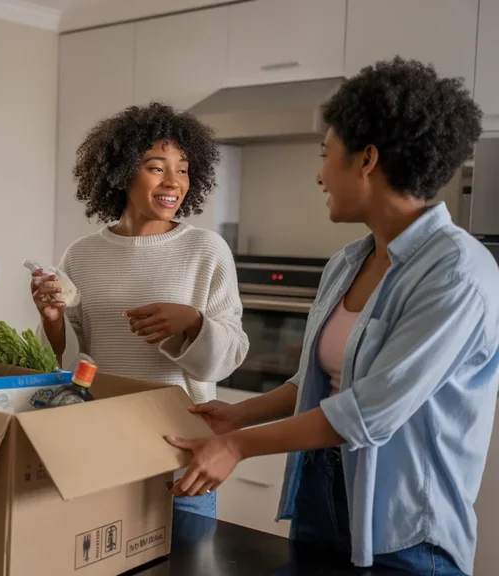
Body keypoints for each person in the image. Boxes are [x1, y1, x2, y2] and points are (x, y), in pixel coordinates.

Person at [167, 57, 498, 575]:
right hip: (321, 496)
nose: (320, 175)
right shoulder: (349, 261)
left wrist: (238, 446)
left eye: (326, 155)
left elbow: (370, 412)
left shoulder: (457, 273)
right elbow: (317, 380)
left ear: (367, 160)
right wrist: (238, 415)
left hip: (406, 528)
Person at [31, 101, 249, 519]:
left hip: (182, 452)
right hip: (104, 444)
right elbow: (66, 361)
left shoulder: (206, 250)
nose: (174, 181)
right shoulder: (82, 254)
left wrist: (193, 323)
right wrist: (52, 319)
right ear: (121, 171)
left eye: (183, 168)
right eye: (156, 167)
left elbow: (228, 358)